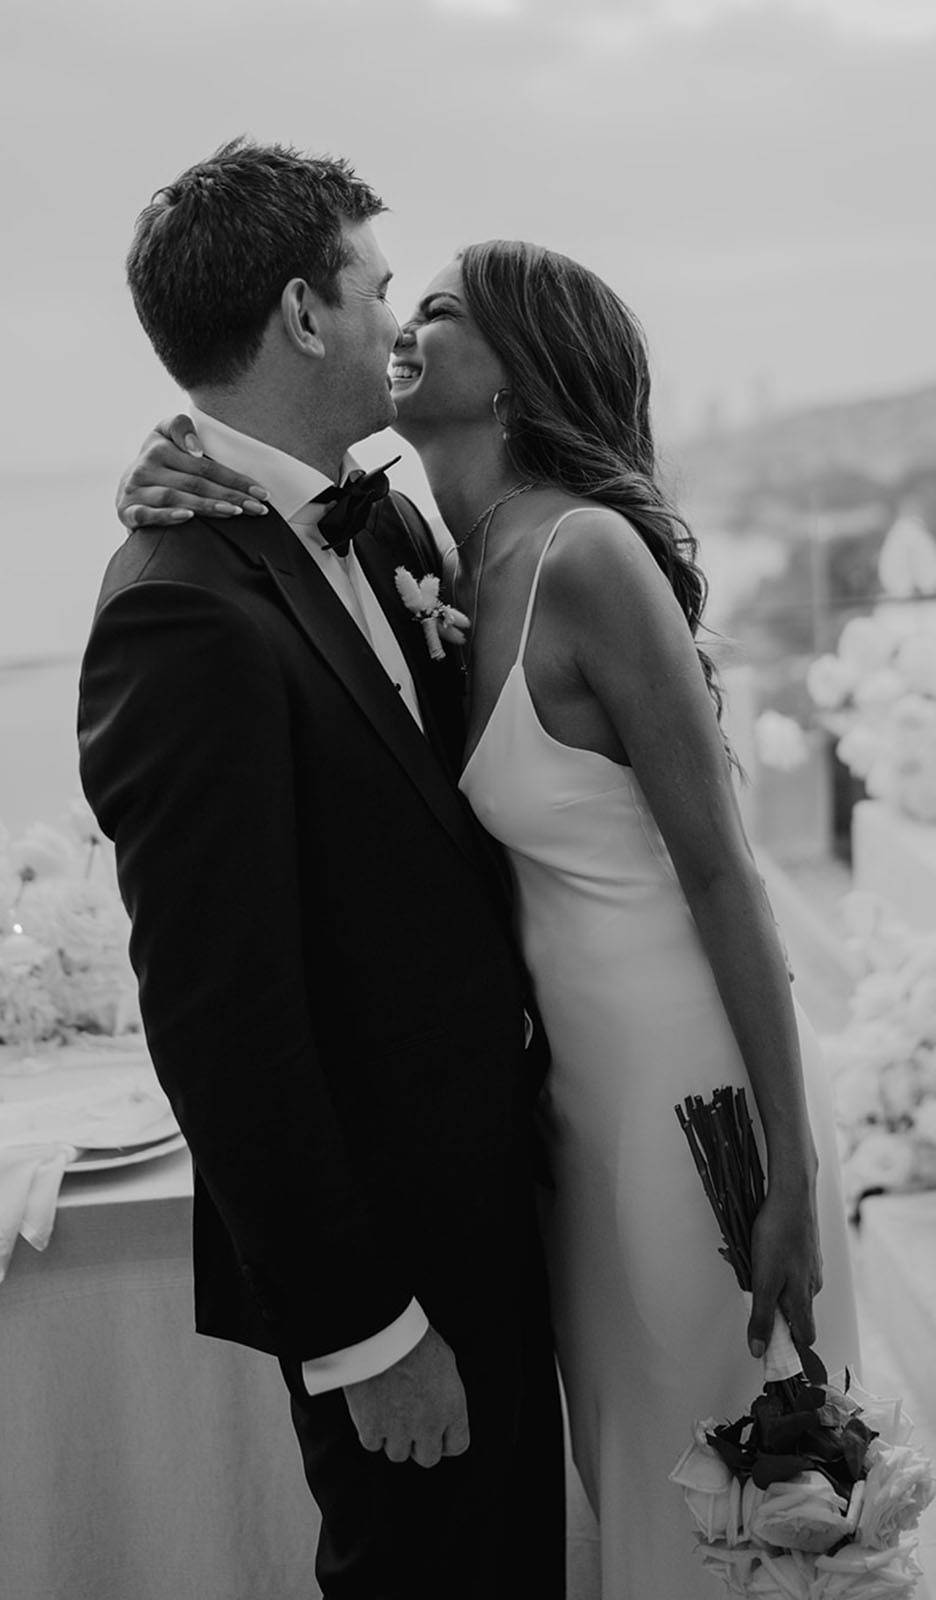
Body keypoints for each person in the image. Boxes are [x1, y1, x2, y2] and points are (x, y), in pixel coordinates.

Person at [119, 239, 861, 1599]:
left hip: (684, 1092)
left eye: (443, 308)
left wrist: (795, 1170)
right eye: (395, 295)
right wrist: (174, 472)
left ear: (518, 376)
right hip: (566, 1109)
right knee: (637, 1466)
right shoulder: (432, 551)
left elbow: (725, 874)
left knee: (729, 1470)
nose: (402, 320)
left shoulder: (587, 558)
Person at [79, 143, 564, 1600]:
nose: (396, 321)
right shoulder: (179, 615)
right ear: (303, 313)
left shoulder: (390, 517)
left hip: (493, 1186)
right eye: (377, 289)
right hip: (393, 1255)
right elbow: (222, 1018)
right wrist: (368, 1330)